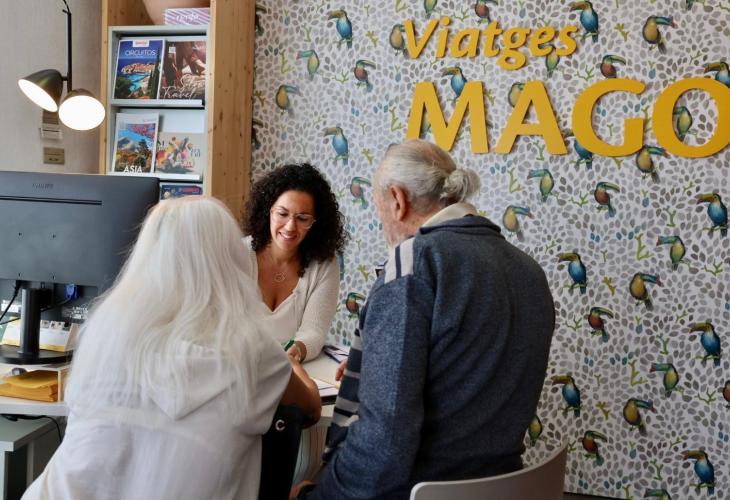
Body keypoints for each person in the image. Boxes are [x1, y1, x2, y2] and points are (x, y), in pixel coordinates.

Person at [298, 140, 556, 499]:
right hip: (505, 486)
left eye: (379, 209)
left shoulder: (413, 266)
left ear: (397, 200)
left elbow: (382, 445)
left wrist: (323, 495)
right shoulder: (528, 270)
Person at [23, 197, 321, 500]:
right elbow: (310, 406)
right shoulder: (253, 351)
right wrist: (292, 366)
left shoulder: (103, 334)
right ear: (231, 262)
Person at [242, 163, 346, 363]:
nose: (290, 226)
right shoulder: (238, 254)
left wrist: (296, 350)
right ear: (268, 211)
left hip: (291, 368)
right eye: (282, 214)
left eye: (302, 218)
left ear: (315, 223)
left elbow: (314, 332)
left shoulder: (324, 265)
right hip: (239, 367)